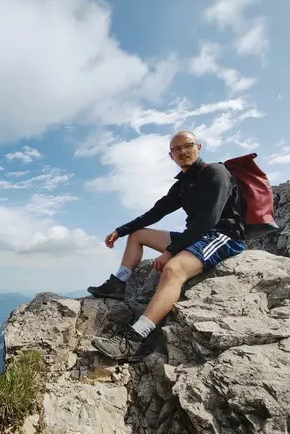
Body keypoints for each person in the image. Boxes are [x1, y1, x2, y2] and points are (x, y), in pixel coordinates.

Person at [88, 131, 247, 361]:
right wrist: (120, 230)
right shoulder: (182, 184)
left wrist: (171, 251)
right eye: (176, 149)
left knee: (173, 269)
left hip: (223, 236)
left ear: (198, 147)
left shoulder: (216, 172)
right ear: (171, 156)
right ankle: (117, 285)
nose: (183, 152)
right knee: (138, 235)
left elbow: (209, 219)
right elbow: (156, 212)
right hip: (196, 235)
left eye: (188, 146)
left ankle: (134, 339)